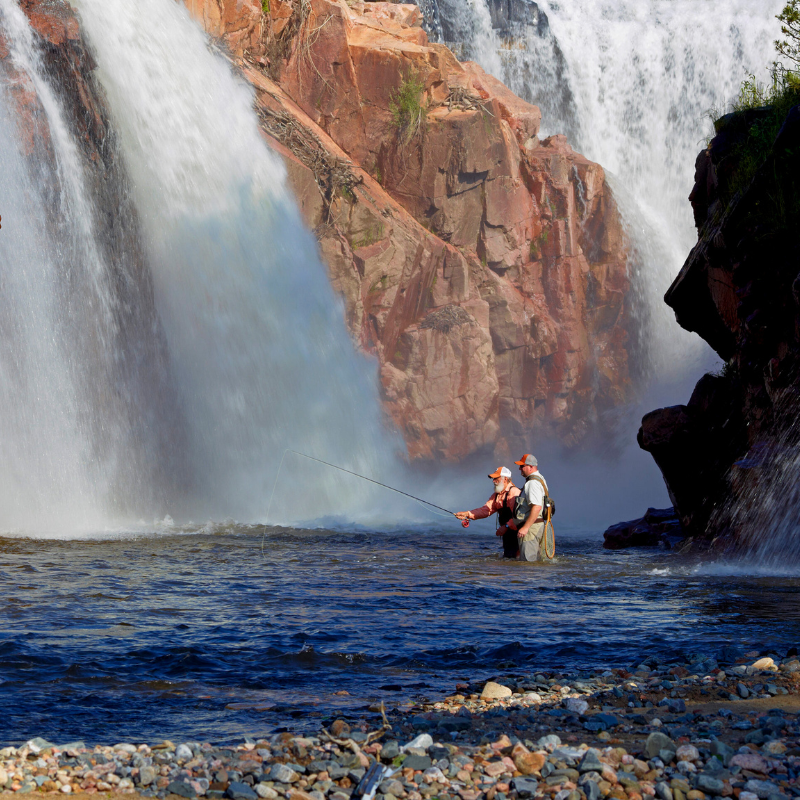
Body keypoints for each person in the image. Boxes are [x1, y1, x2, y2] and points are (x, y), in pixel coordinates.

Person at [454, 467, 521, 557]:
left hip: (518, 534)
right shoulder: (497, 494)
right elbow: (486, 510)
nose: (493, 481)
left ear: (505, 479)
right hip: (507, 534)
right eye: (493, 479)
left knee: (516, 559)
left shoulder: (514, 492)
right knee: (509, 560)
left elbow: (519, 515)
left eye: (496, 478)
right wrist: (467, 514)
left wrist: (506, 526)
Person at [512, 453, 553, 562]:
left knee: (527, 564)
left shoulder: (532, 483)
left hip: (531, 529)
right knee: (535, 563)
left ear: (531, 467)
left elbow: (537, 507)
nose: (519, 469)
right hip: (537, 526)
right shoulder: (540, 479)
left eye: (522, 466)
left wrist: (525, 527)